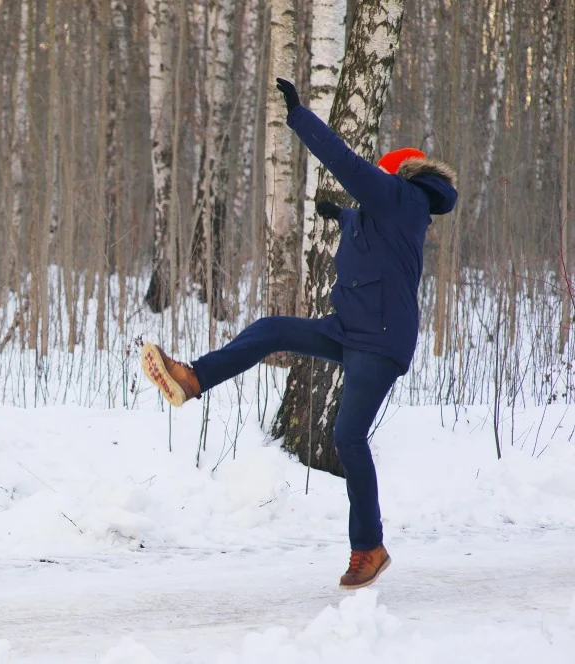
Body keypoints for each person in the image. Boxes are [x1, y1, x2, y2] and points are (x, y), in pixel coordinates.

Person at [140, 78, 458, 590]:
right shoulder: (391, 211)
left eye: (381, 174)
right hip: (349, 329)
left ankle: (368, 547)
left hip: (378, 343)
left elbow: (350, 167)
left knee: (347, 437)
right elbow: (371, 226)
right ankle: (193, 379)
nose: (374, 179)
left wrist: (299, 117)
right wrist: (344, 217)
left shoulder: (401, 197)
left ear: (398, 174)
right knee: (270, 330)